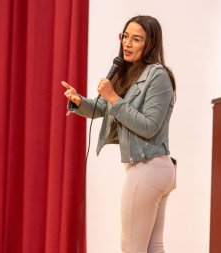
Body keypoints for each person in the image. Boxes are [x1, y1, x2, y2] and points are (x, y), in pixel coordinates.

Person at [62, 15, 176, 253]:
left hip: (149, 167)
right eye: (125, 36)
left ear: (150, 44)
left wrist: (113, 96)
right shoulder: (127, 72)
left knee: (132, 248)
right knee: (153, 247)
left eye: (136, 39)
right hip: (154, 169)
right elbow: (103, 108)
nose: (128, 43)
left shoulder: (158, 76)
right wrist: (78, 101)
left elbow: (148, 126)